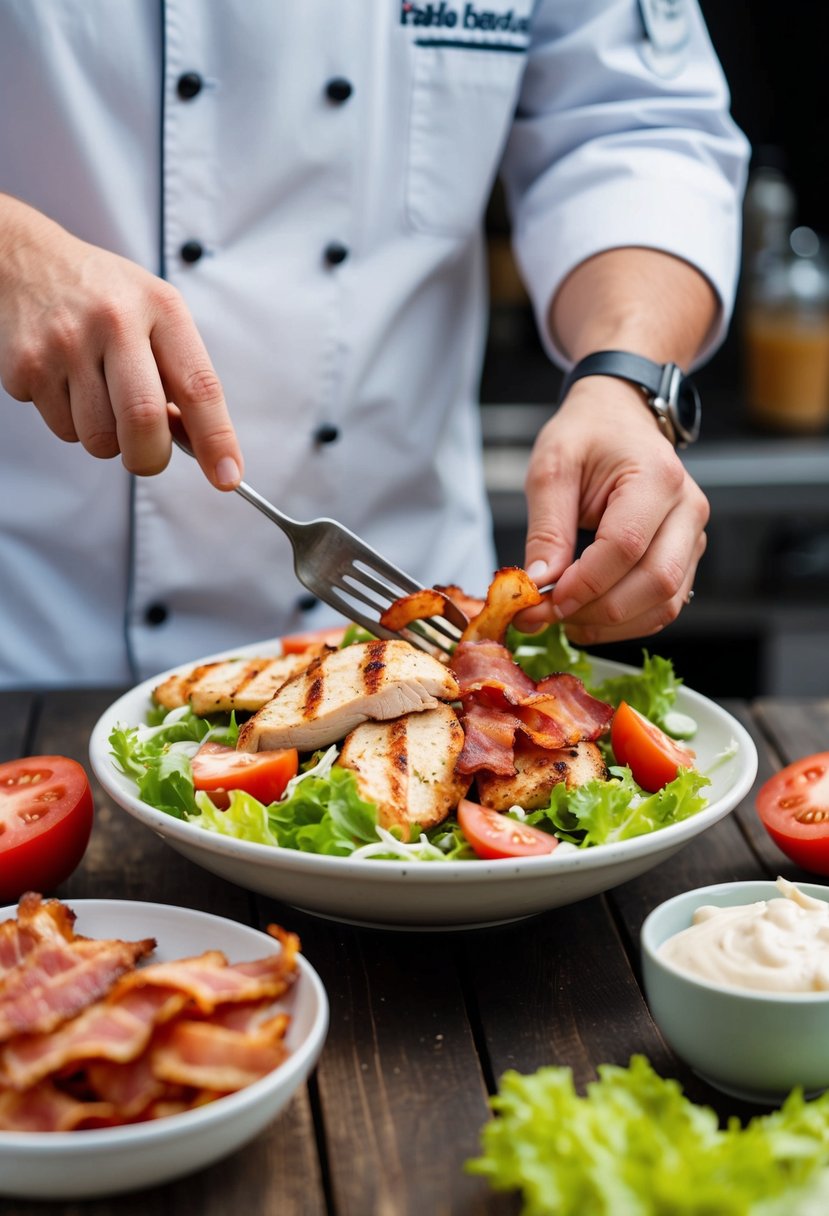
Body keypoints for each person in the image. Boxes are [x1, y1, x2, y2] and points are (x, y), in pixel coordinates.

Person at [0, 1, 749, 688]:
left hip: (416, 620)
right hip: (35, 630)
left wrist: (622, 377)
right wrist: (14, 254)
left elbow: (632, 129)